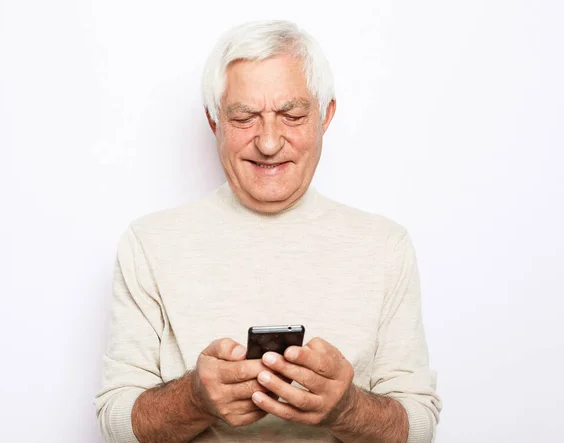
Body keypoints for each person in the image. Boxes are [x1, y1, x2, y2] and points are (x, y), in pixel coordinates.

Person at [95, 20, 442, 443]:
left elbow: (419, 427)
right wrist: (194, 399)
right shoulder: (148, 243)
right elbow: (116, 424)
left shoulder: (386, 247)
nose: (269, 142)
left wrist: (347, 407)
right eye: (244, 117)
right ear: (213, 121)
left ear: (325, 116)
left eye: (291, 115)